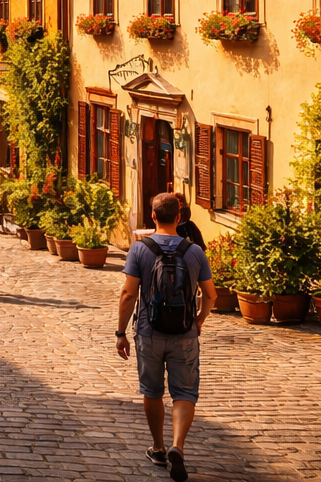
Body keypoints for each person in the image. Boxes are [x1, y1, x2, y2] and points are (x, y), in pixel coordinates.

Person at [116, 192, 217, 482]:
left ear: (153, 216)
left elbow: (128, 294)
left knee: (152, 391)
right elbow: (211, 295)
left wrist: (121, 332)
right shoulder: (195, 251)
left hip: (149, 331)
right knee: (184, 392)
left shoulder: (139, 249)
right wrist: (199, 319)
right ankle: (178, 446)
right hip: (185, 334)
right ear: (179, 217)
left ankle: (158, 447)